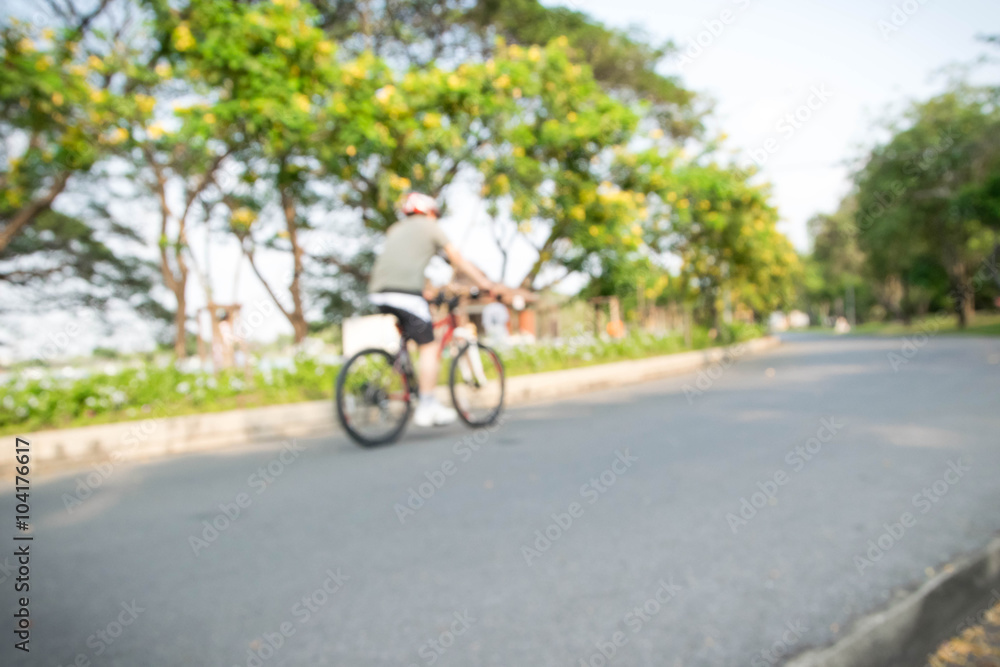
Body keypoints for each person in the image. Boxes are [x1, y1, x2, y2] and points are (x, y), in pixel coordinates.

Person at [368, 192, 501, 427]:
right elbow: (456, 259)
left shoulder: (396, 230)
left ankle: (405, 378)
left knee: (413, 333)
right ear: (429, 212)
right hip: (404, 293)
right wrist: (484, 283)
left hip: (379, 291)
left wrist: (426, 291)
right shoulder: (431, 228)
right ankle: (427, 405)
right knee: (429, 345)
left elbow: (406, 263)